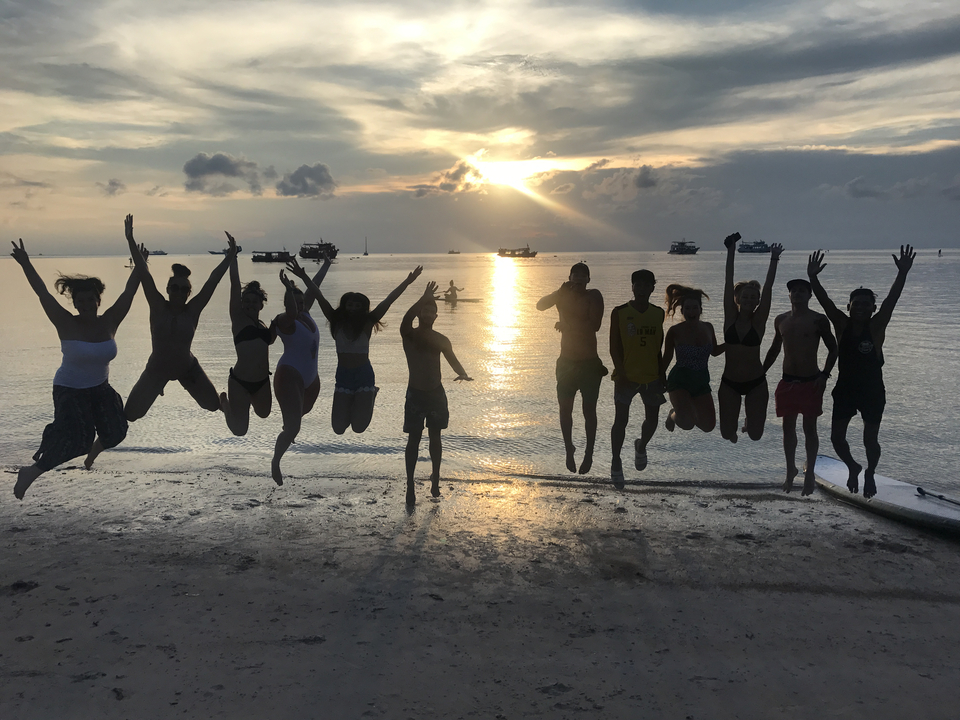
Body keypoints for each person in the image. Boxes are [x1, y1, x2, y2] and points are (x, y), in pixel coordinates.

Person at [86, 215, 236, 468]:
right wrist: (130, 240)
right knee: (131, 415)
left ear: (189, 292)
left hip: (188, 368)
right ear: (167, 289)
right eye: (174, 288)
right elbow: (143, 274)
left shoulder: (193, 310)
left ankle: (228, 402)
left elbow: (212, 281)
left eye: (183, 289)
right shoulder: (157, 306)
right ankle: (93, 451)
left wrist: (229, 257)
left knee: (212, 406)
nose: (178, 292)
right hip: (157, 369)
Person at [10, 236, 145, 499]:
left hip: (100, 388)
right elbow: (42, 292)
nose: (83, 305)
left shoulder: (110, 321)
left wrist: (141, 263)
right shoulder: (65, 322)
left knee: (117, 432)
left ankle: (90, 458)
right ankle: (32, 471)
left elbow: (130, 291)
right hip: (70, 389)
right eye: (78, 302)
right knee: (78, 441)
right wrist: (26, 263)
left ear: (98, 300)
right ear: (74, 304)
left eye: (88, 300)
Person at [807, 246, 915, 498]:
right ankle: (852, 466)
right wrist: (813, 278)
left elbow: (891, 301)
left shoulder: (877, 326)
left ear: (873, 308)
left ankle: (870, 472)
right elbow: (825, 302)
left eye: (867, 304)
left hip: (872, 391)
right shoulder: (841, 324)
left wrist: (902, 274)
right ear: (849, 306)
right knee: (836, 439)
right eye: (857, 304)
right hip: (845, 389)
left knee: (870, 440)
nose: (862, 308)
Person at [309, 264, 423, 434]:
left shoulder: (368, 323)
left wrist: (408, 281)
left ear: (363, 308)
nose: (353, 309)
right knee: (338, 428)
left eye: (357, 306)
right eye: (350, 305)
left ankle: (370, 394)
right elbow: (318, 296)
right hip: (343, 375)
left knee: (359, 428)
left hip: (363, 374)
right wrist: (304, 278)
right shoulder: (336, 321)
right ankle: (360, 399)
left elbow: (389, 300)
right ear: (344, 306)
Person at [763, 278, 838, 495]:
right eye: (794, 291)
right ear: (789, 295)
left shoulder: (818, 320)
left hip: (810, 381)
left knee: (809, 428)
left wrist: (824, 374)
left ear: (809, 295)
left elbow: (834, 349)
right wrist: (761, 372)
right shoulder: (781, 320)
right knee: (788, 427)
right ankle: (790, 470)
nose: (797, 294)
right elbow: (775, 349)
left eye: (802, 291)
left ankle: (811, 472)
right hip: (787, 381)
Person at [400, 281, 472, 505]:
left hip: (435, 394)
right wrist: (423, 297)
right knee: (413, 439)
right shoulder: (409, 334)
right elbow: (405, 318)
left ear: (436, 316)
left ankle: (435, 478)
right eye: (425, 310)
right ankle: (410, 484)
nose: (428, 313)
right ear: (420, 313)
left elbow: (452, 359)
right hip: (415, 395)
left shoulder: (441, 339)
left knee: (436, 438)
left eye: (432, 311)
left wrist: (462, 373)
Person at [536, 262, 606, 474]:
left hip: (589, 363)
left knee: (589, 410)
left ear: (588, 279)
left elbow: (595, 325)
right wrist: (559, 292)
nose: (578, 278)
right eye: (575, 275)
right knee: (565, 410)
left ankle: (589, 452)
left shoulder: (594, 296)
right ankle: (569, 448)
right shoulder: (562, 295)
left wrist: (570, 326)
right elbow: (539, 305)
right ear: (569, 277)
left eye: (583, 275)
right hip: (566, 362)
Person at [270, 259, 330, 486]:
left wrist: (326, 264)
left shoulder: (305, 313)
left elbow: (314, 286)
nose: (299, 305)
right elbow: (290, 311)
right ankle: (276, 462)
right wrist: (288, 289)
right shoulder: (285, 320)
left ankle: (289, 424)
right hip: (290, 375)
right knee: (294, 428)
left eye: (301, 301)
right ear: (287, 304)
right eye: (294, 303)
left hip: (311, 378)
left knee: (295, 421)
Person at [719, 233, 783, 443]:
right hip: (730, 382)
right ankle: (736, 428)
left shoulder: (759, 321)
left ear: (758, 301)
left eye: (753, 297)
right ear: (737, 299)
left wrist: (774, 258)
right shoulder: (730, 317)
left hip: (756, 383)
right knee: (727, 434)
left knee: (756, 436)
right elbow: (728, 280)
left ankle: (749, 422)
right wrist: (730, 251)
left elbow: (769, 287)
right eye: (744, 296)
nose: (748, 299)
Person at [609, 269, 667, 489]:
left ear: (653, 287)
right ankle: (616, 461)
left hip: (651, 376)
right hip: (626, 376)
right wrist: (621, 373)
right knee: (620, 420)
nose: (641, 289)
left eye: (646, 285)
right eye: (638, 285)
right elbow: (614, 346)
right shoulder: (620, 312)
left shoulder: (658, 313)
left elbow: (657, 348)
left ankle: (641, 446)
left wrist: (662, 373)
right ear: (632, 287)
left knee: (652, 420)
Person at [219, 232, 275, 435]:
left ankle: (244, 403)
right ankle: (226, 404)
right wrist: (233, 256)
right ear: (242, 304)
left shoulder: (263, 326)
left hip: (261, 381)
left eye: (254, 302)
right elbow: (235, 284)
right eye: (247, 301)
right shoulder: (239, 319)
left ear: (261, 304)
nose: (250, 305)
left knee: (264, 413)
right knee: (239, 430)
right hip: (240, 381)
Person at [661, 285, 724, 433]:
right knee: (687, 423)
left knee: (708, 426)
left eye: (694, 308)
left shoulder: (708, 327)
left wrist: (732, 344)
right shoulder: (675, 331)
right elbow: (667, 358)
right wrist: (660, 379)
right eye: (687, 309)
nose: (691, 312)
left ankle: (686, 409)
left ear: (700, 310)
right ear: (682, 311)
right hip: (679, 381)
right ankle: (672, 415)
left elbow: (714, 351)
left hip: (701, 380)